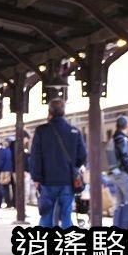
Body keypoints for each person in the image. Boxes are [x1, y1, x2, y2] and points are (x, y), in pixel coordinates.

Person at [29, 98, 86, 229]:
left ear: (50, 112)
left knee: (46, 215)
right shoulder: (74, 132)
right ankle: (67, 245)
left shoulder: (41, 131)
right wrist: (73, 168)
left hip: (47, 181)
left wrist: (36, 177)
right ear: (63, 112)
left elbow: (35, 156)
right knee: (66, 215)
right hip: (67, 180)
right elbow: (82, 155)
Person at [110, 115, 128, 206]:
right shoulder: (122, 139)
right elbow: (125, 156)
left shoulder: (115, 138)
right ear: (127, 126)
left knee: (120, 203)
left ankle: (119, 220)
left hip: (117, 173)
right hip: (124, 173)